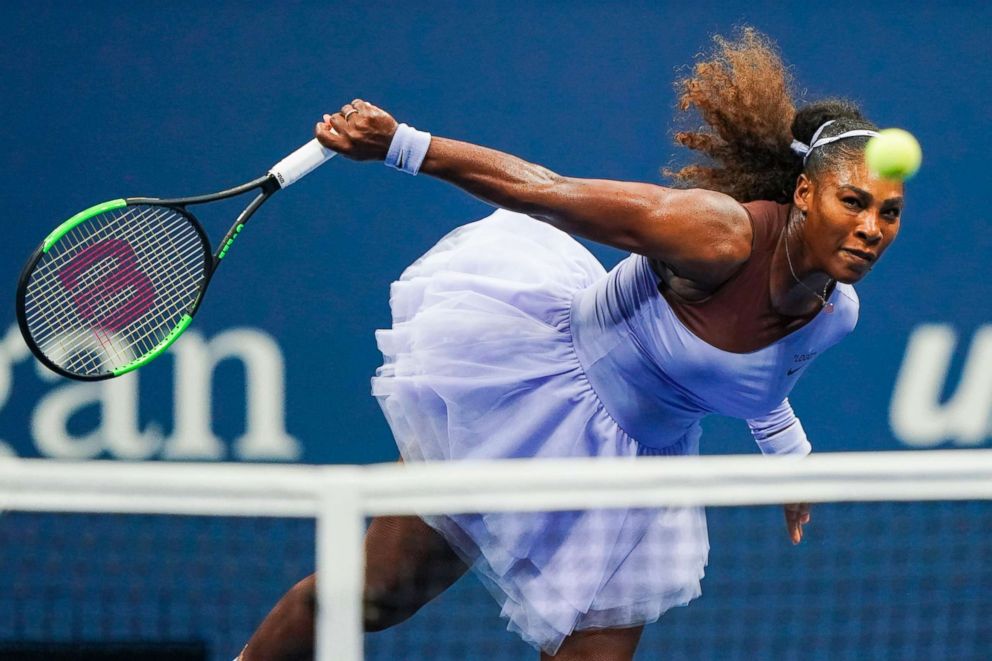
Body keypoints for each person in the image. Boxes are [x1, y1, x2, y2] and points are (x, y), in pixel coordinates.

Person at [239, 28, 904, 661]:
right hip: (535, 406)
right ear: (804, 193)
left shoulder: (836, 311)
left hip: (635, 479)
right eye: (853, 201)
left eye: (888, 211)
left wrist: (789, 457)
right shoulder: (717, 237)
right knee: (366, 597)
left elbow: (761, 375)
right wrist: (401, 144)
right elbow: (548, 191)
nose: (872, 227)